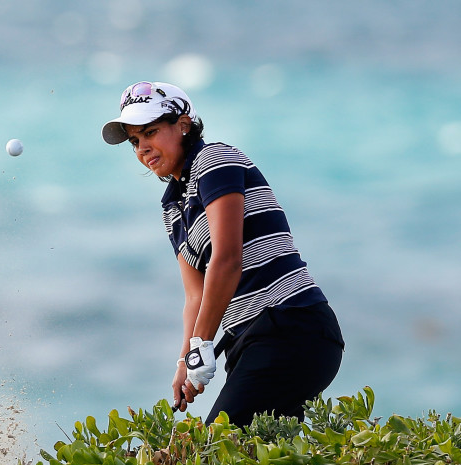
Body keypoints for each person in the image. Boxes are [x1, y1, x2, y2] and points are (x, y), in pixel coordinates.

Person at [101, 81, 344, 428]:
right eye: (135, 141)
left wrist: (201, 345)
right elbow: (194, 295)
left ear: (183, 124)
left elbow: (227, 259)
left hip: (292, 326)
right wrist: (185, 361)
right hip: (250, 344)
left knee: (217, 451)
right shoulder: (172, 206)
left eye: (151, 132)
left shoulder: (215, 160)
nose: (143, 148)